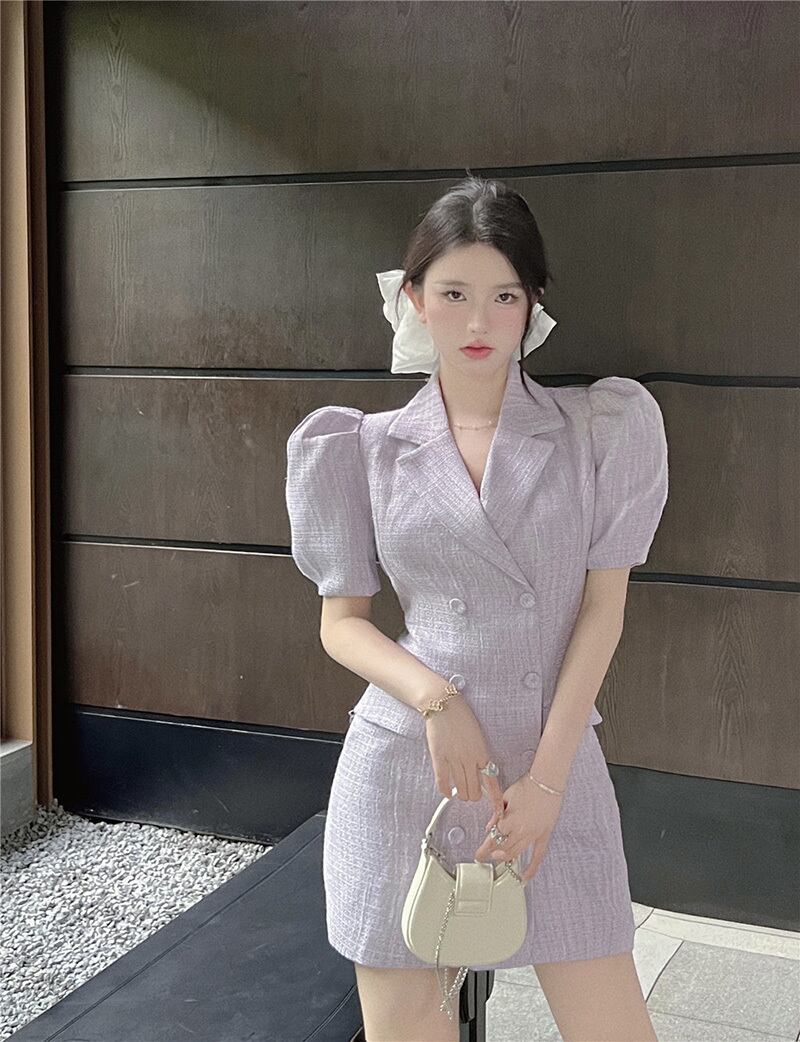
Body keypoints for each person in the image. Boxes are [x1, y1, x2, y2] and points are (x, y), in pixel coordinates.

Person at [285, 175, 667, 1042]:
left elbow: (601, 613)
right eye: (453, 294)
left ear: (532, 305)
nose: (478, 321)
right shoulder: (358, 447)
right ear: (414, 299)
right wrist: (437, 700)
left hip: (551, 764)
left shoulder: (599, 429)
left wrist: (547, 783)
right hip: (406, 766)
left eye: (504, 296)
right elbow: (341, 624)